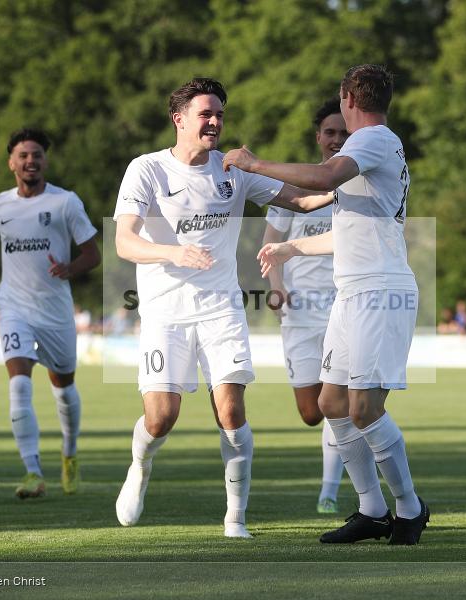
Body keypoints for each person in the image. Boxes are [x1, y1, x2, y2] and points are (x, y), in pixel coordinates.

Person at [113, 77, 332, 538]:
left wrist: (356, 179)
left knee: (231, 413)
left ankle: (235, 518)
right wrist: (174, 253)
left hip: (221, 309)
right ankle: (140, 465)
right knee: (162, 417)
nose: (215, 122)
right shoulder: (146, 170)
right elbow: (125, 241)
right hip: (164, 312)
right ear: (179, 119)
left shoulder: (233, 168)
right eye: (205, 114)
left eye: (219, 115)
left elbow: (307, 201)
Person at [224, 64, 430, 545]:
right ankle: (371, 510)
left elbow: (320, 178)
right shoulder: (374, 148)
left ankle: (410, 509)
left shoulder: (372, 140)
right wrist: (289, 248)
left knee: (364, 408)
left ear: (347, 98)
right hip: (354, 290)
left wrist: (254, 163)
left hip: (379, 290)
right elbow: (350, 230)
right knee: (331, 402)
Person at [0, 128, 101, 499]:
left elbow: (93, 254)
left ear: (45, 161)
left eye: (37, 154)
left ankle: (69, 453)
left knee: (64, 388)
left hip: (55, 311)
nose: (30, 161)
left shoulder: (65, 203)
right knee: (19, 383)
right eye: (23, 155)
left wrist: (69, 269)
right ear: (11, 163)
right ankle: (32, 471)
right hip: (13, 306)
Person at [262, 97, 348, 514]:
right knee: (311, 412)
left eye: (343, 133)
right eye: (330, 132)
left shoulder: (360, 183)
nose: (336, 139)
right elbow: (269, 245)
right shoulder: (294, 189)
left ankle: (328, 492)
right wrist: (276, 288)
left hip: (342, 310)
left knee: (336, 403)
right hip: (298, 314)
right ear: (318, 138)